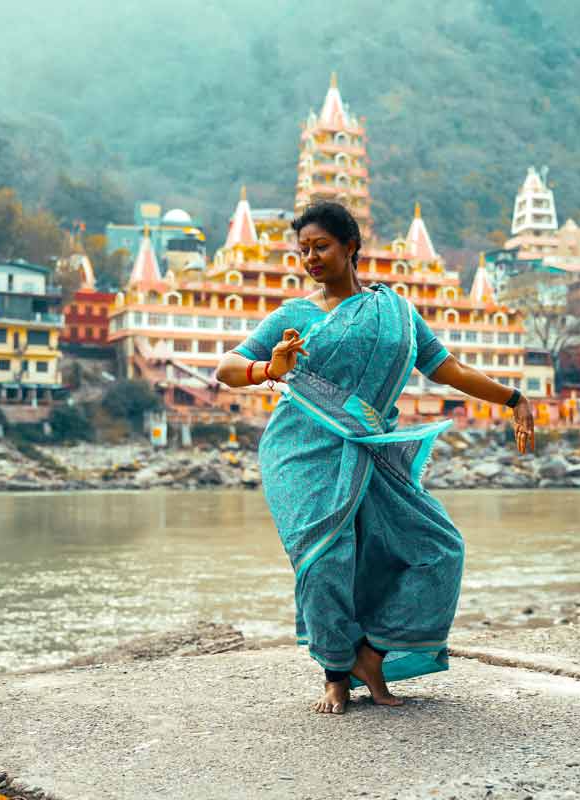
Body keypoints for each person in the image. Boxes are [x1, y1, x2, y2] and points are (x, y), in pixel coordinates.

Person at [215, 201, 535, 714]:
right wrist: (267, 368)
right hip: (301, 450)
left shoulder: (397, 313)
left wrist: (513, 399)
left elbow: (447, 370)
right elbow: (227, 369)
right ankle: (335, 674)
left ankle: (372, 652)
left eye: (321, 247)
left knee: (439, 548)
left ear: (351, 247)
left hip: (370, 450)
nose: (311, 258)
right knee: (328, 559)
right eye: (303, 251)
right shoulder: (293, 315)